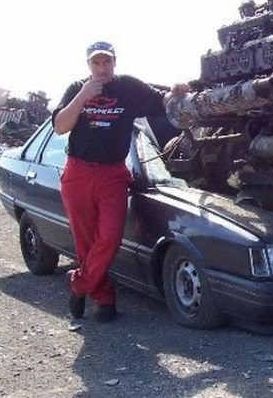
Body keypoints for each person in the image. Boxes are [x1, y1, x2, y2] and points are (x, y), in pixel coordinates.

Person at [52, 41, 187, 322]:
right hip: (79, 173)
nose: (102, 67)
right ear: (88, 65)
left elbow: (161, 101)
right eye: (96, 63)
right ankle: (104, 299)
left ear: (115, 62)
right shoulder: (76, 88)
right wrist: (84, 95)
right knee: (86, 244)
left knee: (110, 239)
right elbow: (60, 127)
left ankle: (78, 284)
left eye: (107, 62)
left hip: (113, 175)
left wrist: (176, 92)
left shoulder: (128, 87)